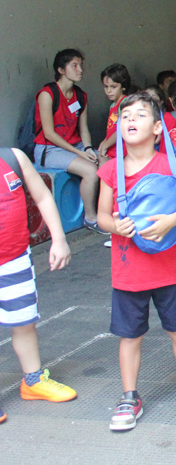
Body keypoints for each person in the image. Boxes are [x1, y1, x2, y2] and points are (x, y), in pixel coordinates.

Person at [95, 92, 176, 431]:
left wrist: (172, 220)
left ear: (158, 128)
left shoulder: (171, 165)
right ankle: (129, 396)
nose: (131, 120)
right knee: (129, 336)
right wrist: (115, 226)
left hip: (169, 270)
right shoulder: (110, 170)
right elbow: (101, 216)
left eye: (140, 115)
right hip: (128, 272)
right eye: (125, 116)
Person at [0, 147, 76, 424]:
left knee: (24, 322)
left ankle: (32, 381)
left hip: (15, 260)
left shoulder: (13, 159)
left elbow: (42, 196)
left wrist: (59, 239)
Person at [32, 49, 102, 233]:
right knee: (91, 170)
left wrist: (88, 148)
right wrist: (79, 153)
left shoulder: (81, 96)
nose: (80, 70)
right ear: (61, 70)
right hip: (49, 149)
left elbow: (83, 129)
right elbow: (49, 134)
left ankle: (109, 213)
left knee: (106, 162)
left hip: (75, 146)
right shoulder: (47, 94)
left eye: (81, 65)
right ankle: (91, 218)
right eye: (74, 66)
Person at [97, 64, 135, 160]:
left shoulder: (125, 103)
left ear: (123, 86)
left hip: (121, 152)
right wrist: (104, 142)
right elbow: (112, 127)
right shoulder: (113, 105)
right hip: (112, 149)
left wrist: (106, 145)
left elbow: (121, 129)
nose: (108, 91)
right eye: (106, 86)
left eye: (113, 87)